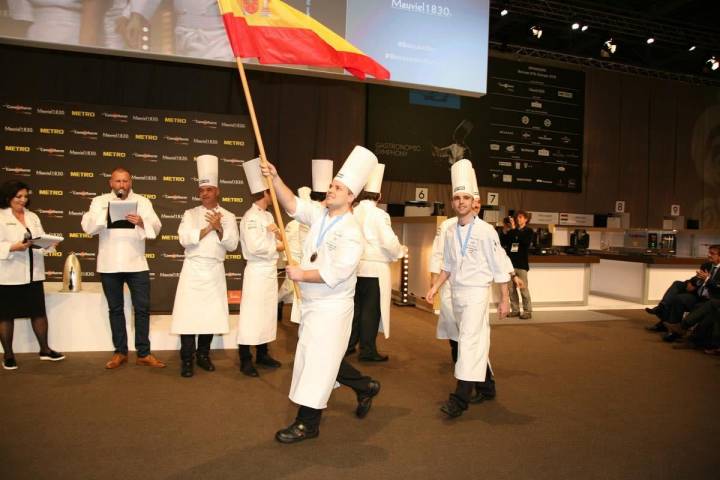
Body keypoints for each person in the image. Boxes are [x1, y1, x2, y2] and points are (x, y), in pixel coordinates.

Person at [261, 146, 381, 443]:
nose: (330, 190)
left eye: (337, 187)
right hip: (313, 304)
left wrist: (301, 274)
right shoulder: (321, 215)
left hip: (332, 307)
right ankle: (365, 387)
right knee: (325, 359)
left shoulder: (353, 232)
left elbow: (336, 273)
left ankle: (308, 424)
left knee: (316, 363)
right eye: (331, 185)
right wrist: (275, 178)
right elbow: (292, 205)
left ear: (351, 196)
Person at [426, 160, 510, 419]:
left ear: (474, 202)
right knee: (469, 341)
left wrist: (505, 298)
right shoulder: (450, 231)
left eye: (465, 197)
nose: (461, 202)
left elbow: (499, 267)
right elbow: (448, 265)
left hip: (476, 294)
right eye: (457, 198)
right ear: (452, 202)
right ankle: (487, 387)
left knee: (469, 344)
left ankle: (459, 400)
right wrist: (435, 288)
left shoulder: (486, 232)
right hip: (456, 292)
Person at [81, 167, 164, 369]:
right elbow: (88, 228)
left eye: (125, 181)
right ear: (111, 183)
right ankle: (120, 352)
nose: (122, 185)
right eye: (118, 181)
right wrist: (106, 215)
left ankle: (144, 352)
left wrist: (142, 221)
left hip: (136, 263)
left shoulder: (143, 202)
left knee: (142, 309)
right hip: (109, 264)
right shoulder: (99, 202)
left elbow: (157, 226)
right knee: (116, 309)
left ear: (131, 182)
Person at [171, 155, 239, 377]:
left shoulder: (228, 216)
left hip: (214, 270)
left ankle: (203, 355)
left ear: (217, 191)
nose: (204, 194)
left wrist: (219, 228)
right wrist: (209, 228)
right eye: (202, 190)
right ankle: (187, 359)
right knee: (188, 317)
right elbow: (184, 238)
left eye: (209, 190)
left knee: (210, 316)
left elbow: (232, 244)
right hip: (192, 269)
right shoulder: (190, 214)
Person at [0, 181, 65, 370]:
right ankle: (9, 355)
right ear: (8, 197)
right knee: (5, 316)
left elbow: (39, 240)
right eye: (18, 196)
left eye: (25, 196)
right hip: (8, 275)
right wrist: (14, 247)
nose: (23, 200)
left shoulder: (33, 217)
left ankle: (45, 350)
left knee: (38, 312)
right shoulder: (1, 217)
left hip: (33, 274)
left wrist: (49, 245)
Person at [348, 163, 404, 362]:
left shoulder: (352, 211)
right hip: (374, 269)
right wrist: (400, 251)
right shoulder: (380, 215)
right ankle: (368, 350)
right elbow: (389, 242)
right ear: (379, 196)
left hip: (355, 268)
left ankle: (348, 344)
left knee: (355, 309)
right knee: (370, 311)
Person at [236, 158, 284, 377]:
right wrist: (277, 244)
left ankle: (262, 353)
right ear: (265, 193)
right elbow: (255, 247)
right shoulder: (251, 217)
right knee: (251, 316)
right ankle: (245, 358)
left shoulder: (268, 215)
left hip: (269, 272)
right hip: (256, 272)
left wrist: (276, 241)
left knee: (266, 314)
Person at [659, 245, 720, 342]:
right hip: (699, 296)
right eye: (709, 252)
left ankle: (680, 330)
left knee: (701, 306)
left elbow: (718, 287)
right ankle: (672, 330)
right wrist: (693, 283)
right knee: (680, 298)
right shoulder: (706, 265)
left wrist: (707, 280)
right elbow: (696, 278)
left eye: (712, 254)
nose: (708, 255)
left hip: (711, 299)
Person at [277, 186, 312, 324]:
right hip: (295, 261)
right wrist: (288, 261)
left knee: (301, 292)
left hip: (307, 262)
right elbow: (287, 244)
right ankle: (277, 301)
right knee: (288, 287)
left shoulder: (312, 222)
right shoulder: (292, 225)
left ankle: (299, 317)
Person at [506, 210, 533, 319]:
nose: (518, 219)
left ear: (526, 219)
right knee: (511, 289)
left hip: (522, 265)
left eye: (521, 217)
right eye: (517, 217)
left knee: (523, 289)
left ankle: (527, 311)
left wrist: (514, 231)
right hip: (511, 264)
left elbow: (524, 241)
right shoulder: (514, 231)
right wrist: (513, 230)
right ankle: (515, 310)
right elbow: (508, 241)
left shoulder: (528, 231)